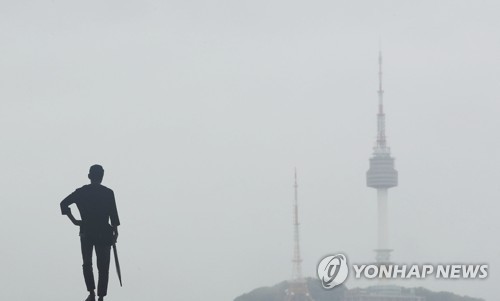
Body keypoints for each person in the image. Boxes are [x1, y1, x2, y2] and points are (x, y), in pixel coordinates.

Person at [60, 165, 120, 301]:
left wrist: (74, 221)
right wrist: (115, 233)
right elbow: (113, 216)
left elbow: (63, 204)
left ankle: (92, 293)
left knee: (87, 263)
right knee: (103, 266)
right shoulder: (108, 193)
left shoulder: (81, 192)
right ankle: (100, 296)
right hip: (104, 232)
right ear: (102, 176)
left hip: (87, 231)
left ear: (89, 176)